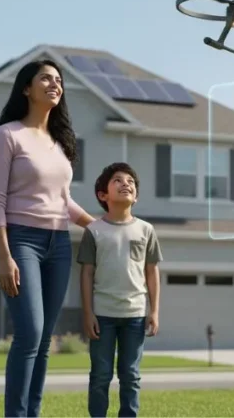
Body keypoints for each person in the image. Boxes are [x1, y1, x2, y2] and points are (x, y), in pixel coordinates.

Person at [0, 59, 95, 417]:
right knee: (30, 333)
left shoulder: (60, 144)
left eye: (59, 80)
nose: (55, 84)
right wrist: (4, 255)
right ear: (26, 88)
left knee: (45, 341)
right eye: (45, 78)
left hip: (58, 244)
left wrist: (99, 226)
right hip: (20, 242)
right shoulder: (8, 135)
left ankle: (33, 413)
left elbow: (63, 202)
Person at [77, 162, 162, 418]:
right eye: (117, 180)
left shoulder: (146, 230)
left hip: (135, 316)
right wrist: (88, 313)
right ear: (103, 195)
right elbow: (86, 273)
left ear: (135, 196)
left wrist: (154, 310)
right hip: (102, 316)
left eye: (130, 182)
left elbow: (152, 272)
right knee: (100, 376)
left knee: (130, 376)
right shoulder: (93, 231)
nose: (125, 183)